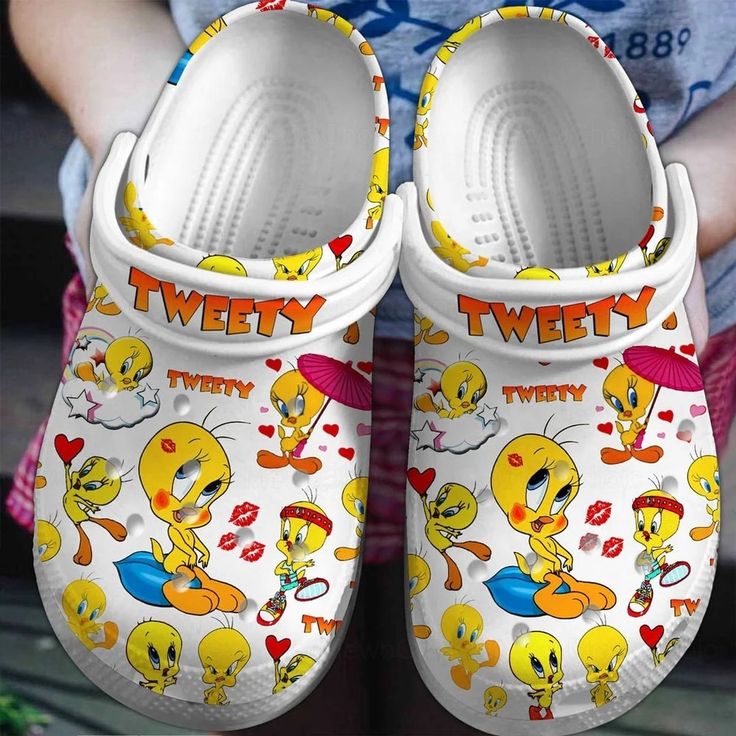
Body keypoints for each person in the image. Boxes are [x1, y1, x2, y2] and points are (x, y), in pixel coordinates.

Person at [9, 0, 735, 565]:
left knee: (495, 674)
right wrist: (133, 138)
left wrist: (689, 205)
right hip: (189, 275)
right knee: (249, 657)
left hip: (625, 321)